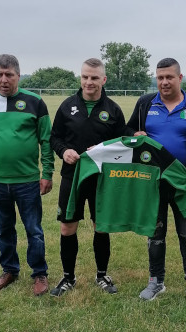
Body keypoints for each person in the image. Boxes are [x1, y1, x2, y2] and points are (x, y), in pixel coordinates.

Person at [127, 58, 186, 308]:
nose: (164, 82)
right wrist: (134, 134)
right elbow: (129, 127)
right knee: (155, 234)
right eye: (160, 77)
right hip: (151, 182)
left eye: (169, 77)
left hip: (183, 181)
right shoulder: (145, 103)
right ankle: (156, 281)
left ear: (180, 78)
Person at [49, 58, 134, 297]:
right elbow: (55, 137)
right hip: (72, 176)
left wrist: (129, 135)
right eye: (85, 76)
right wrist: (63, 151)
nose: (89, 82)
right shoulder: (67, 106)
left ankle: (102, 275)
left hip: (102, 179)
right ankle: (68, 277)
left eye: (95, 77)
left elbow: (121, 140)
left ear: (103, 79)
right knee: (67, 227)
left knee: (101, 226)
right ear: (81, 78)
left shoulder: (113, 109)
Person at [0, 54, 54, 296]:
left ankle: (39, 273)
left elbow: (46, 141)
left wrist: (47, 172)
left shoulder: (35, 102)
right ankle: (9, 270)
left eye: (9, 75)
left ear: (18, 75)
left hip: (28, 181)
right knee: (3, 230)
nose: (4, 79)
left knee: (34, 230)